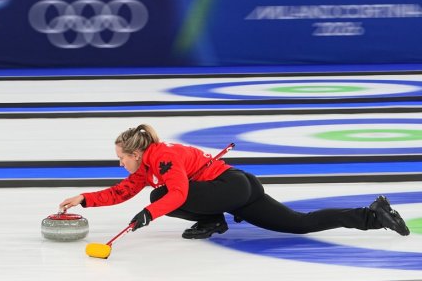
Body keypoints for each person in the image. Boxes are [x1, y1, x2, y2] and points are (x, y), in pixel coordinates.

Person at [59, 124, 410, 240]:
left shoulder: (164, 157)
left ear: (136, 153)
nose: (119, 162)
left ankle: (213, 218)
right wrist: (84, 199)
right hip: (236, 189)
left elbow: (178, 193)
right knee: (298, 225)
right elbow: (120, 193)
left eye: (121, 157)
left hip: (231, 186)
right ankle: (371, 216)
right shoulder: (144, 166)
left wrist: (149, 214)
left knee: (162, 194)